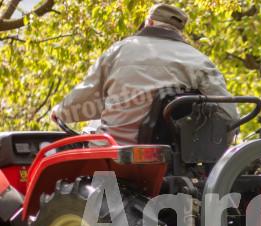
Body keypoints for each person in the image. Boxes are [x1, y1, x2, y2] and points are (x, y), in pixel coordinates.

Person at [51, 4, 238, 144]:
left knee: (89, 129)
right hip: (174, 158)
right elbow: (228, 116)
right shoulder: (200, 60)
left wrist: (60, 112)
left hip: (116, 150)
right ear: (179, 29)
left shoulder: (119, 50)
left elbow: (84, 98)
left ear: (148, 22)